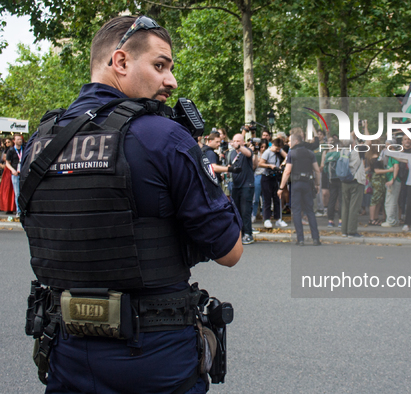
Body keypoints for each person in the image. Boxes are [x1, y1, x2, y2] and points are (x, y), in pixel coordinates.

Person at [19, 16, 243, 393]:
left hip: (67, 356)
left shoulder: (38, 143)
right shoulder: (163, 137)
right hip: (157, 359)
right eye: (160, 66)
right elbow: (230, 250)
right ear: (121, 62)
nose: (171, 81)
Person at [277, 129, 321, 245]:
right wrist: (317, 184)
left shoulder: (292, 153)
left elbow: (287, 171)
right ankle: (316, 238)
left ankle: (300, 239)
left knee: (296, 211)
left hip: (296, 184)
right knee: (310, 211)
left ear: (296, 141)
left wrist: (281, 188)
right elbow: (317, 170)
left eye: (290, 141)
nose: (289, 143)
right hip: (307, 183)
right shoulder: (310, 153)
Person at [228, 133, 256, 244]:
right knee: (237, 211)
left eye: (238, 141)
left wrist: (239, 147)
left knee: (245, 211)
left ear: (243, 142)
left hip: (246, 186)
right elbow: (229, 166)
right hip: (235, 185)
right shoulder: (231, 154)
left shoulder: (247, 151)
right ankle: (239, 233)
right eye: (234, 141)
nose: (236, 143)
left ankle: (248, 234)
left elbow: (248, 153)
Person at [339, 132, 366, 238]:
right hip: (356, 181)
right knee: (354, 207)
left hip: (345, 181)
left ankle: (344, 230)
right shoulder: (357, 151)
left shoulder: (342, 151)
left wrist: (351, 135)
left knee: (345, 206)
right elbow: (368, 142)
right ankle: (352, 231)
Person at [259, 138, 288, 228]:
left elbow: (287, 157)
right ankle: (267, 219)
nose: (277, 150)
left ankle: (278, 218)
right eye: (276, 148)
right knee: (267, 199)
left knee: (277, 198)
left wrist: (282, 164)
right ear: (272, 145)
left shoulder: (279, 152)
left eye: (279, 149)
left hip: (275, 177)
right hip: (267, 177)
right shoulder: (267, 152)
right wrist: (270, 166)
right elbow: (260, 163)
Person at [321, 135, 341, 228]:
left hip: (331, 179)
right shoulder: (340, 154)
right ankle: (341, 220)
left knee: (332, 199)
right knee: (341, 200)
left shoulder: (328, 154)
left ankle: (330, 220)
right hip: (340, 179)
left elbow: (325, 168)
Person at [381, 140, 401, 227]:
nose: (385, 148)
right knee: (393, 201)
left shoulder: (394, 155)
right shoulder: (391, 155)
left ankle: (390, 221)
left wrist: (393, 179)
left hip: (393, 181)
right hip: (392, 179)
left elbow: (396, 167)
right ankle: (395, 220)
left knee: (390, 201)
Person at [5, 134, 24, 216]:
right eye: (18, 139)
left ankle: (24, 210)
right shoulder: (11, 150)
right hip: (15, 174)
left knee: (23, 192)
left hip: (23, 173)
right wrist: (12, 170)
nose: (20, 141)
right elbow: (7, 163)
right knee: (17, 193)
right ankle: (19, 211)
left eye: (21, 139)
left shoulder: (24, 149)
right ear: (14, 141)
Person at [0, 137, 17, 213]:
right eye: (6, 143)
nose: (7, 144)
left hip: (11, 170)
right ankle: (6, 206)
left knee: (12, 189)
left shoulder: (13, 150)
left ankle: (11, 207)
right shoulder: (6, 150)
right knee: (6, 189)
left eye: (8, 142)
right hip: (7, 170)